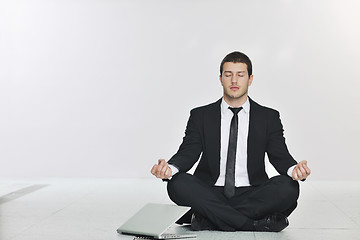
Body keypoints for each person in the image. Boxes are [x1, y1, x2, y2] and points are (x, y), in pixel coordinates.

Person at [151, 51, 311, 232]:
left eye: (240, 75)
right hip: (210, 191)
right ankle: (250, 223)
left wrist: (295, 170)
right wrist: (169, 169)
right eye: (228, 75)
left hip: (252, 192)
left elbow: (279, 155)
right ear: (220, 79)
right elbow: (188, 152)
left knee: (289, 187)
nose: (234, 80)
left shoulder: (268, 117)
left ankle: (209, 218)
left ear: (250, 79)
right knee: (177, 183)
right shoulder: (201, 115)